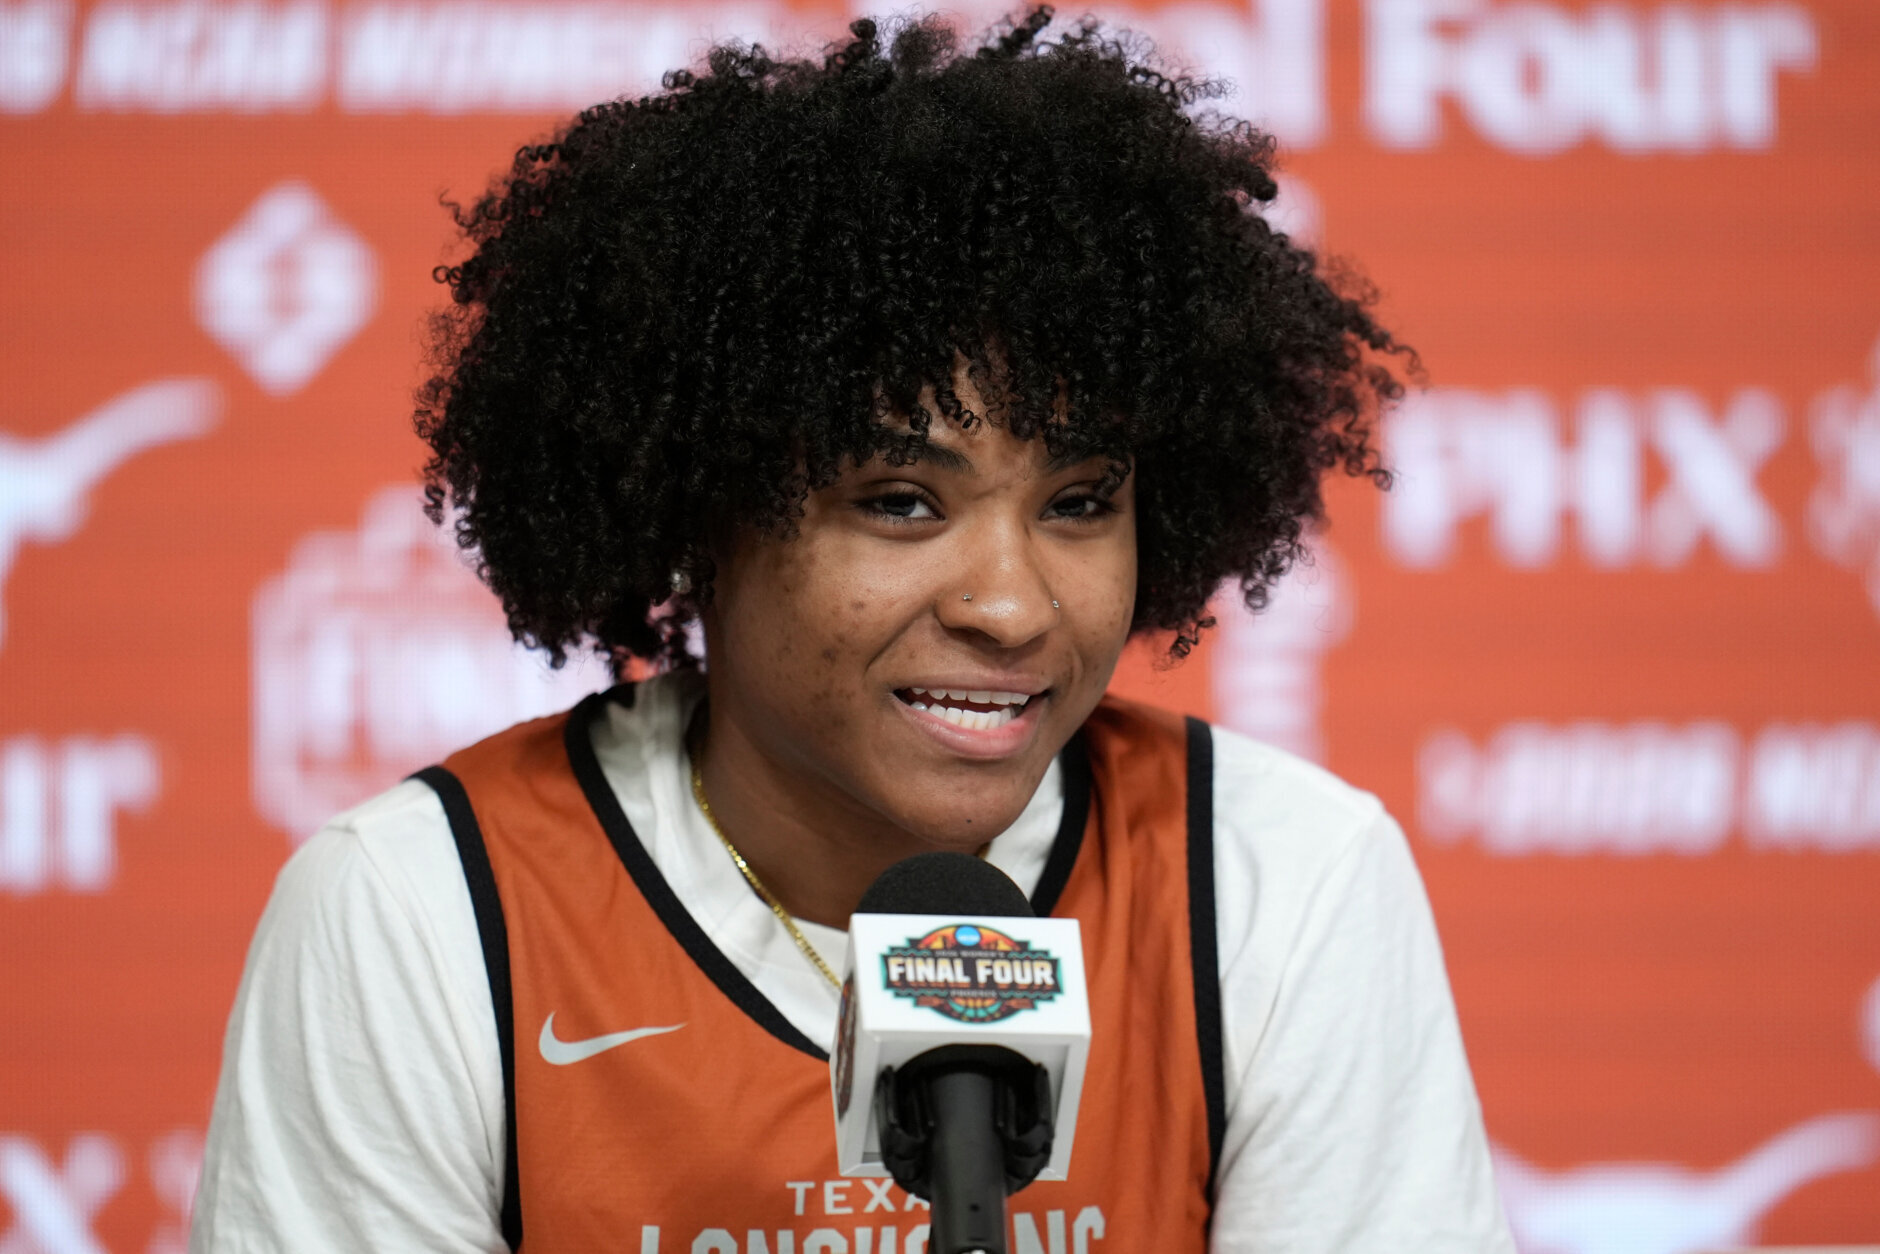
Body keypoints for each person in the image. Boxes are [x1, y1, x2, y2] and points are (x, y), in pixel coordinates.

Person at [191, 6, 1514, 1251]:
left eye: (1080, 501)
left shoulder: (1279, 886)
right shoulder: (418, 914)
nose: (1009, 605)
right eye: (899, 500)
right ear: (701, 509)